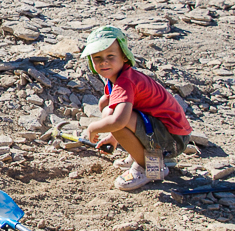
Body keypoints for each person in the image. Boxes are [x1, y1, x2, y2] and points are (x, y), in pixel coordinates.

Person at [79, 26, 192, 191]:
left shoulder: (126, 82)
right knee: (107, 104)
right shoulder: (118, 78)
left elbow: (119, 121)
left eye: (111, 56)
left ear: (124, 56)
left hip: (173, 140)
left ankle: (150, 167)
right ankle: (146, 155)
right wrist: (113, 137)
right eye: (97, 58)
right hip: (167, 132)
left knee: (116, 122)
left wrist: (93, 127)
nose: (104, 62)